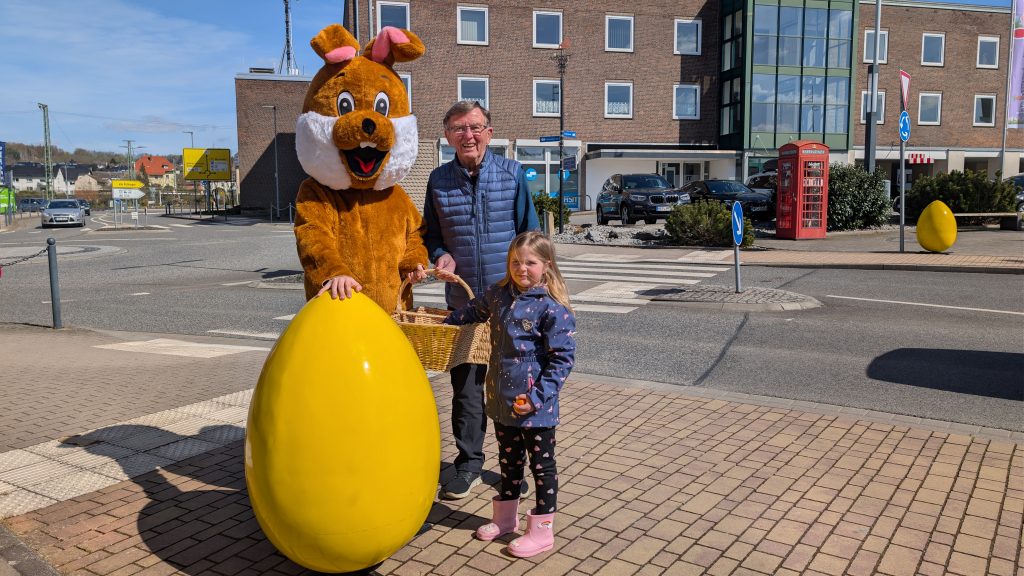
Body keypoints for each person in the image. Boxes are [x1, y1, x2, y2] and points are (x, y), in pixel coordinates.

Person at [423, 100, 540, 500]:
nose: (467, 135)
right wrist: (439, 254)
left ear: (490, 132)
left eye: (475, 127)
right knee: (468, 390)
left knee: (513, 389)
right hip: (464, 305)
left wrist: (529, 289)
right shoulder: (437, 181)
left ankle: (512, 469)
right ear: (447, 135)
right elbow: (431, 235)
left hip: (511, 305)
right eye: (458, 128)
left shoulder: (511, 174)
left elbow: (531, 237)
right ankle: (469, 463)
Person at [441, 231, 575, 558]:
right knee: (508, 461)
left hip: (535, 407)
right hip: (501, 400)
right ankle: (505, 520)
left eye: (530, 262)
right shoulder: (499, 294)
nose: (522, 268)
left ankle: (541, 531)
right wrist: (444, 322)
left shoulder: (552, 308)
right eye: (516, 261)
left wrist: (537, 397)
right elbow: (472, 311)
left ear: (547, 265)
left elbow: (562, 359)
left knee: (541, 467)